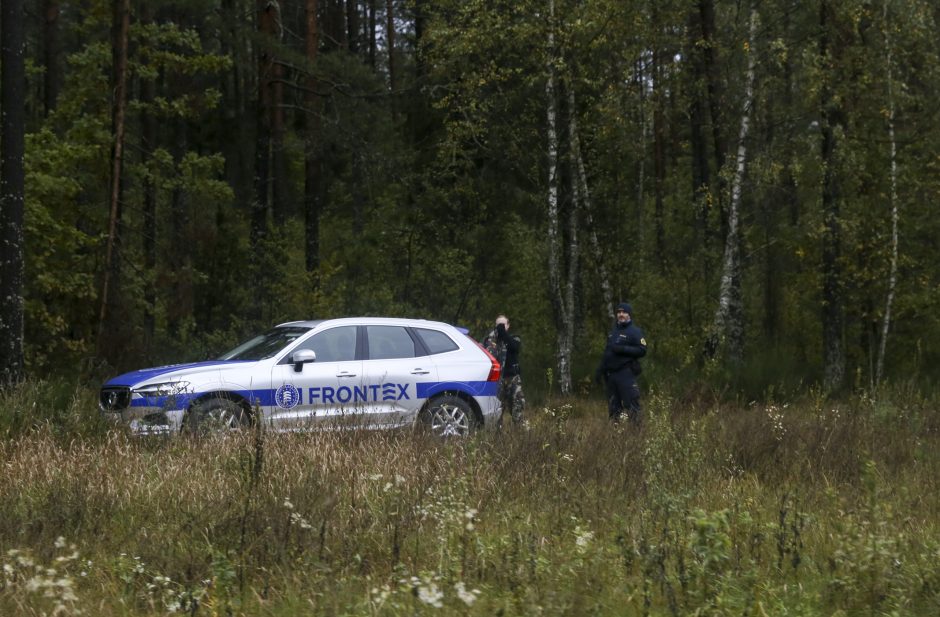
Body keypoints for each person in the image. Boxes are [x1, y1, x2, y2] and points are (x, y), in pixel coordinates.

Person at [596, 302, 647, 424]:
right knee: (614, 409)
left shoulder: (634, 332)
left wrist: (623, 349)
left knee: (632, 406)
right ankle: (617, 438)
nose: (621, 314)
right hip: (611, 376)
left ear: (629, 314)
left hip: (625, 373)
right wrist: (600, 370)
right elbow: (607, 353)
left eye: (624, 312)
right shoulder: (613, 333)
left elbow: (642, 350)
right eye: (619, 312)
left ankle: (637, 436)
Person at [483, 315, 525, 426]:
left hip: (513, 379)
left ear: (508, 325)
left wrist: (503, 333)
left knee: (517, 406)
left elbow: (514, 347)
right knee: (497, 408)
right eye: (498, 325)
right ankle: (497, 434)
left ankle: (520, 432)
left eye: (503, 324)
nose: (501, 327)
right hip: (497, 379)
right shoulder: (491, 340)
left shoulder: (514, 338)